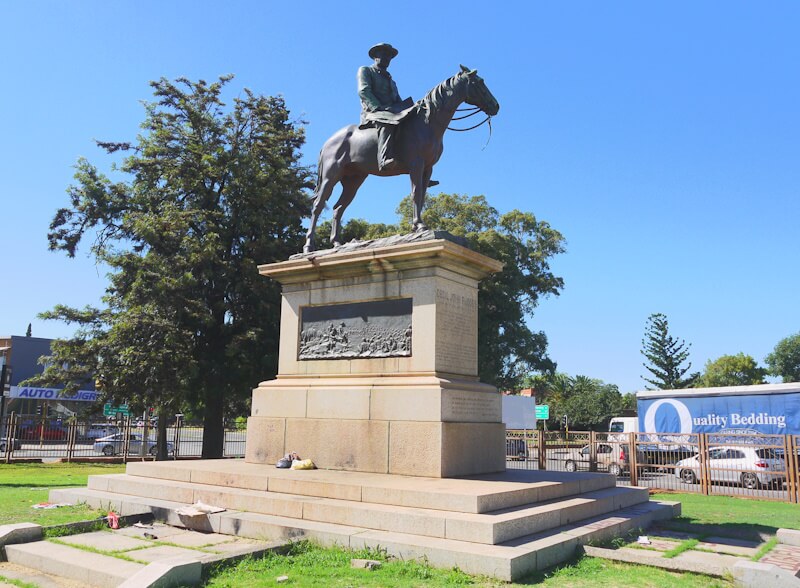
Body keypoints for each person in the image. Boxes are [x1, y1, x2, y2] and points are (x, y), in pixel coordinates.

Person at [357, 43, 413, 171]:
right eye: (384, 55)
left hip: (392, 111)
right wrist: (378, 108)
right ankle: (383, 160)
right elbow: (363, 91)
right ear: (376, 56)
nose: (387, 58)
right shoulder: (366, 70)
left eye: (389, 56)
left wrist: (410, 109)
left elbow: (397, 99)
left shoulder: (391, 81)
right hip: (373, 112)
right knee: (387, 122)